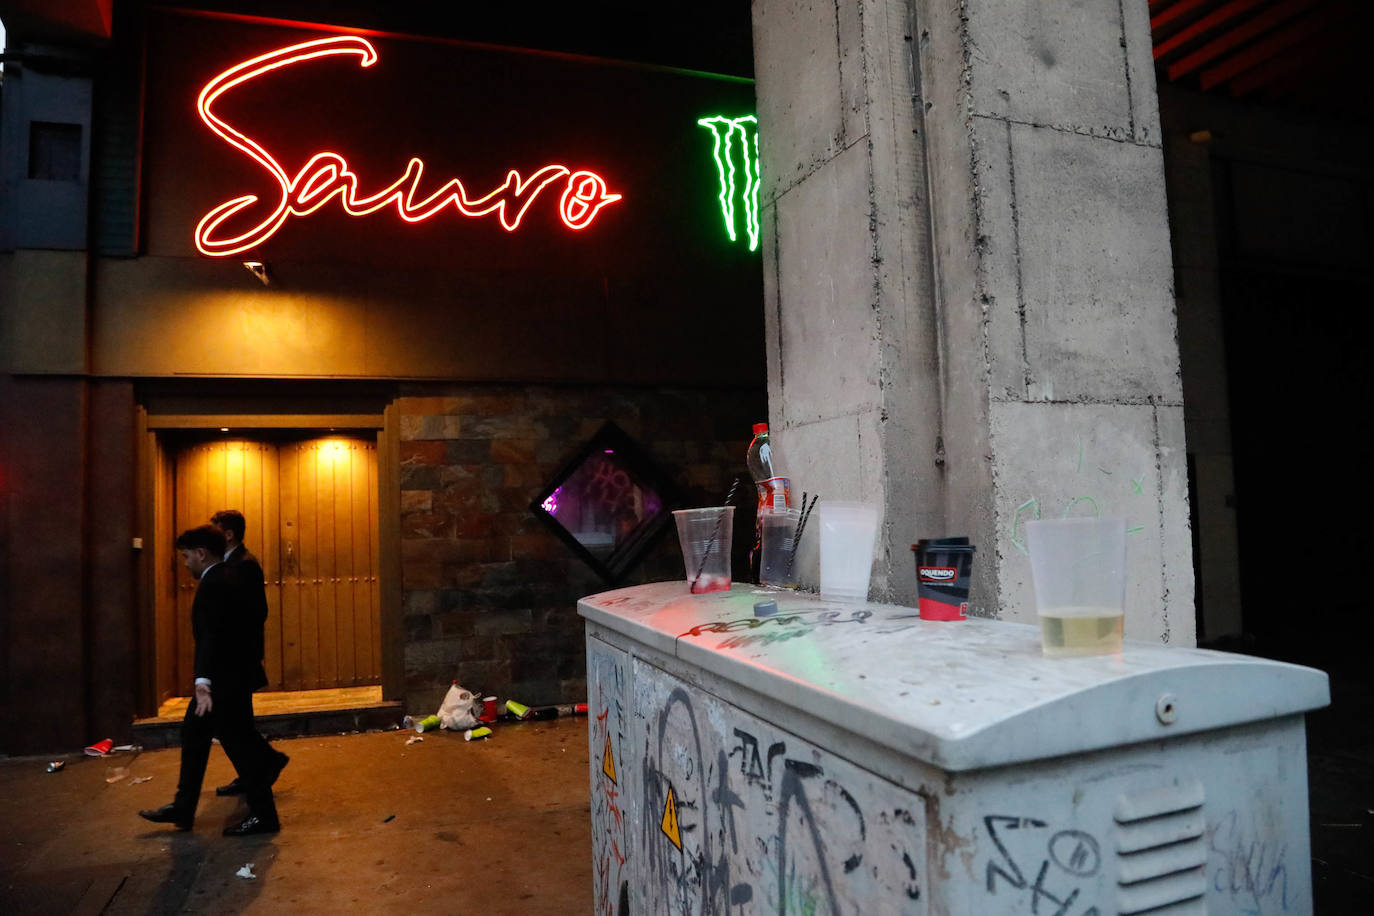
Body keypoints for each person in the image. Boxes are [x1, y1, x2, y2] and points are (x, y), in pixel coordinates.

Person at [139, 525, 280, 836]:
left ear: (201, 553)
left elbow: (210, 637)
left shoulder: (212, 585)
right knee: (196, 735)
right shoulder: (231, 577)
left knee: (239, 746)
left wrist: (203, 682)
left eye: (186, 556)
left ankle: (264, 815)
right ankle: (183, 807)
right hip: (233, 677)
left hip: (221, 683)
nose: (185, 563)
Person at [209, 509, 289, 798]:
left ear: (229, 534)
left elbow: (255, 612)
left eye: (216, 531)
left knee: (234, 722)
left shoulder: (244, 565)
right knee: (237, 721)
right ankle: (256, 769)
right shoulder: (232, 562)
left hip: (238, 657)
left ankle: (262, 767)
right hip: (236, 657)